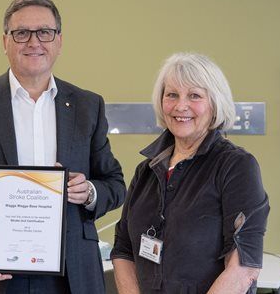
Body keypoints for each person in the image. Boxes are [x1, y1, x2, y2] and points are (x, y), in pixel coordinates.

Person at [0, 0, 126, 294]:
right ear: (5, 42)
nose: (34, 42)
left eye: (45, 32)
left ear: (59, 41)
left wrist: (89, 192)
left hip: (69, 276)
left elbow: (115, 183)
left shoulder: (88, 106)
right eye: (21, 33)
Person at [111, 52, 270, 294]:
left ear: (214, 104)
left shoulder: (236, 167)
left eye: (194, 95)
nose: (180, 106)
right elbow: (123, 249)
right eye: (172, 95)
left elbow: (244, 267)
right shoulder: (146, 170)